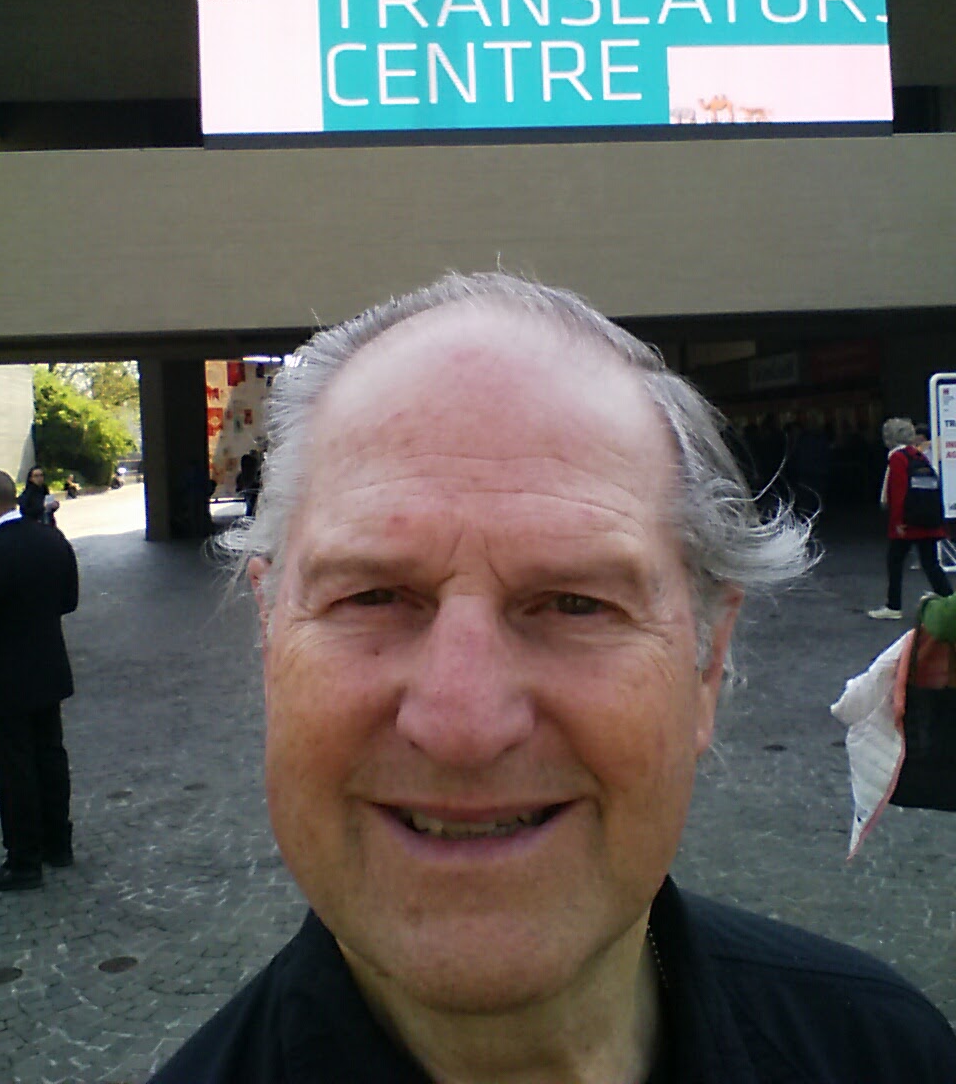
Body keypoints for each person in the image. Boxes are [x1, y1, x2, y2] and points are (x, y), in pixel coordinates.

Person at [150, 274, 956, 1084]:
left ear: (707, 661)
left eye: (576, 604)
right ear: (270, 640)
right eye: (372, 597)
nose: (464, 727)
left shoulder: (893, 1056)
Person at [0, 469, 79, 890]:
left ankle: (24, 860)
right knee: (50, 754)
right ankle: (58, 843)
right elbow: (69, 601)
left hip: (5, 674)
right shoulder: (52, 539)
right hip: (48, 664)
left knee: (14, 767)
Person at [868, 417, 952, 621]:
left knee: (895, 562)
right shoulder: (918, 455)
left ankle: (893, 606)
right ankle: (950, 600)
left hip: (908, 523)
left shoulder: (897, 458)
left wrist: (898, 522)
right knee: (930, 562)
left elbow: (899, 492)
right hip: (926, 519)